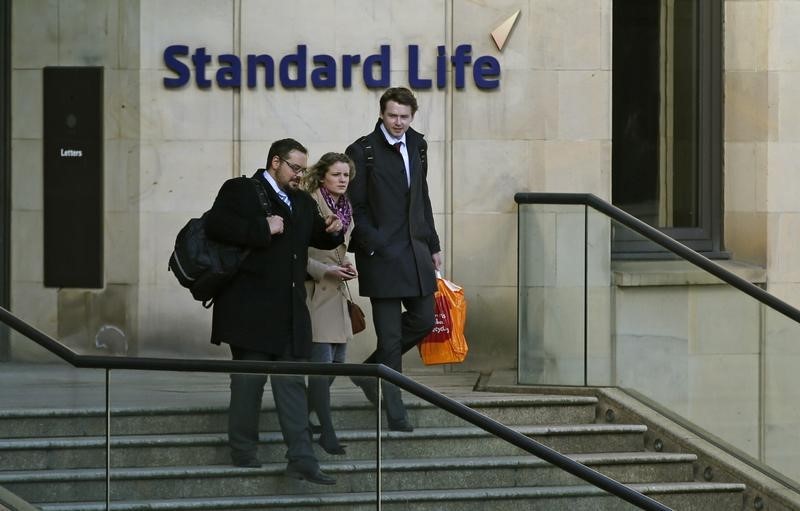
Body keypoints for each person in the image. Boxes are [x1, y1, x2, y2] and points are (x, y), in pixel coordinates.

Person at [205, 138, 343, 485]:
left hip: (290, 311)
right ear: (275, 162)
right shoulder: (240, 190)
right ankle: (243, 451)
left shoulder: (300, 201)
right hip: (248, 309)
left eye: (303, 169)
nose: (300, 175)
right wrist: (261, 228)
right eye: (295, 168)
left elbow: (315, 237)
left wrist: (333, 231)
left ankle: (302, 456)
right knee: (249, 383)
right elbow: (215, 226)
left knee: (292, 381)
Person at [345, 87, 442, 432]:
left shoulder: (418, 144)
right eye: (392, 116)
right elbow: (356, 206)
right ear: (381, 114)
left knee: (425, 320)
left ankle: (371, 371)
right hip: (382, 256)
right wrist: (375, 242)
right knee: (389, 339)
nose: (398, 122)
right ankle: (395, 411)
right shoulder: (362, 151)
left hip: (415, 252)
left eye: (404, 116)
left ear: (412, 115)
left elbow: (423, 196)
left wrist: (432, 243)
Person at [301, 152, 358, 455]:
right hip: (315, 292)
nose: (342, 180)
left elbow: (339, 249)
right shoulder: (310, 203)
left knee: (338, 362)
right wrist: (326, 270)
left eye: (346, 175)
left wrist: (347, 266)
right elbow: (298, 252)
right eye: (336, 174)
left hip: (336, 293)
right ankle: (326, 430)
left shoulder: (346, 208)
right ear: (322, 175)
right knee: (321, 366)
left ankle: (308, 416)